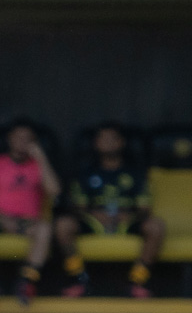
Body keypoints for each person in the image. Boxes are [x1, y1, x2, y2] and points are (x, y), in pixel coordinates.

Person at [55, 124, 164, 299]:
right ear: (95, 143)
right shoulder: (86, 173)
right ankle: (79, 280)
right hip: (95, 221)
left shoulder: (136, 173)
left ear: (121, 143)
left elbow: (144, 208)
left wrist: (127, 215)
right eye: (102, 139)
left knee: (156, 226)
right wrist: (96, 214)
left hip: (126, 221)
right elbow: (77, 207)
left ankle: (137, 282)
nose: (107, 143)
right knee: (63, 225)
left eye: (112, 138)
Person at [0, 120, 59, 307]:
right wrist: (4, 219)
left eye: (28, 139)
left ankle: (27, 282)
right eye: (18, 137)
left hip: (28, 222)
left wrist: (41, 158)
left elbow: (54, 191)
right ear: (10, 139)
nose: (22, 142)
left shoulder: (38, 165)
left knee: (45, 229)